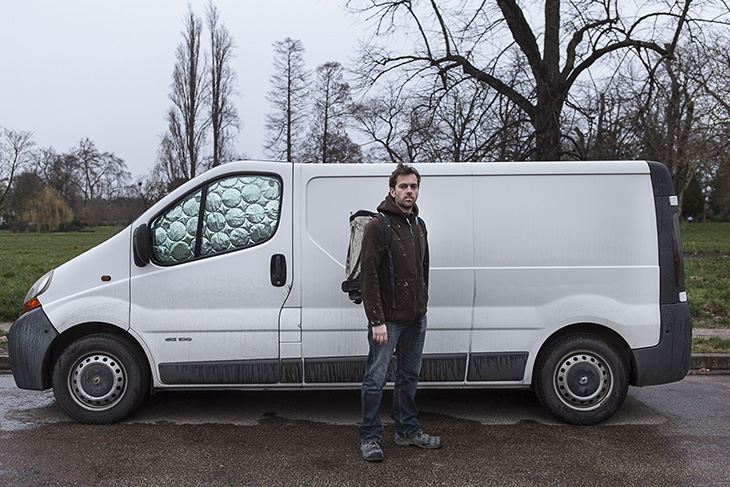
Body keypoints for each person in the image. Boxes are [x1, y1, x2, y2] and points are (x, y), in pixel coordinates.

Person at [358, 163, 442, 462]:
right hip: (388, 322)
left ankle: (407, 431)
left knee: (409, 376)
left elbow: (423, 270)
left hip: (416, 318)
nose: (409, 191)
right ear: (392, 190)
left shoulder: (419, 225)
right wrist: (377, 321)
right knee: (375, 378)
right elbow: (368, 277)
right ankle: (370, 437)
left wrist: (422, 305)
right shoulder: (377, 226)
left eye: (413, 186)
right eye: (403, 186)